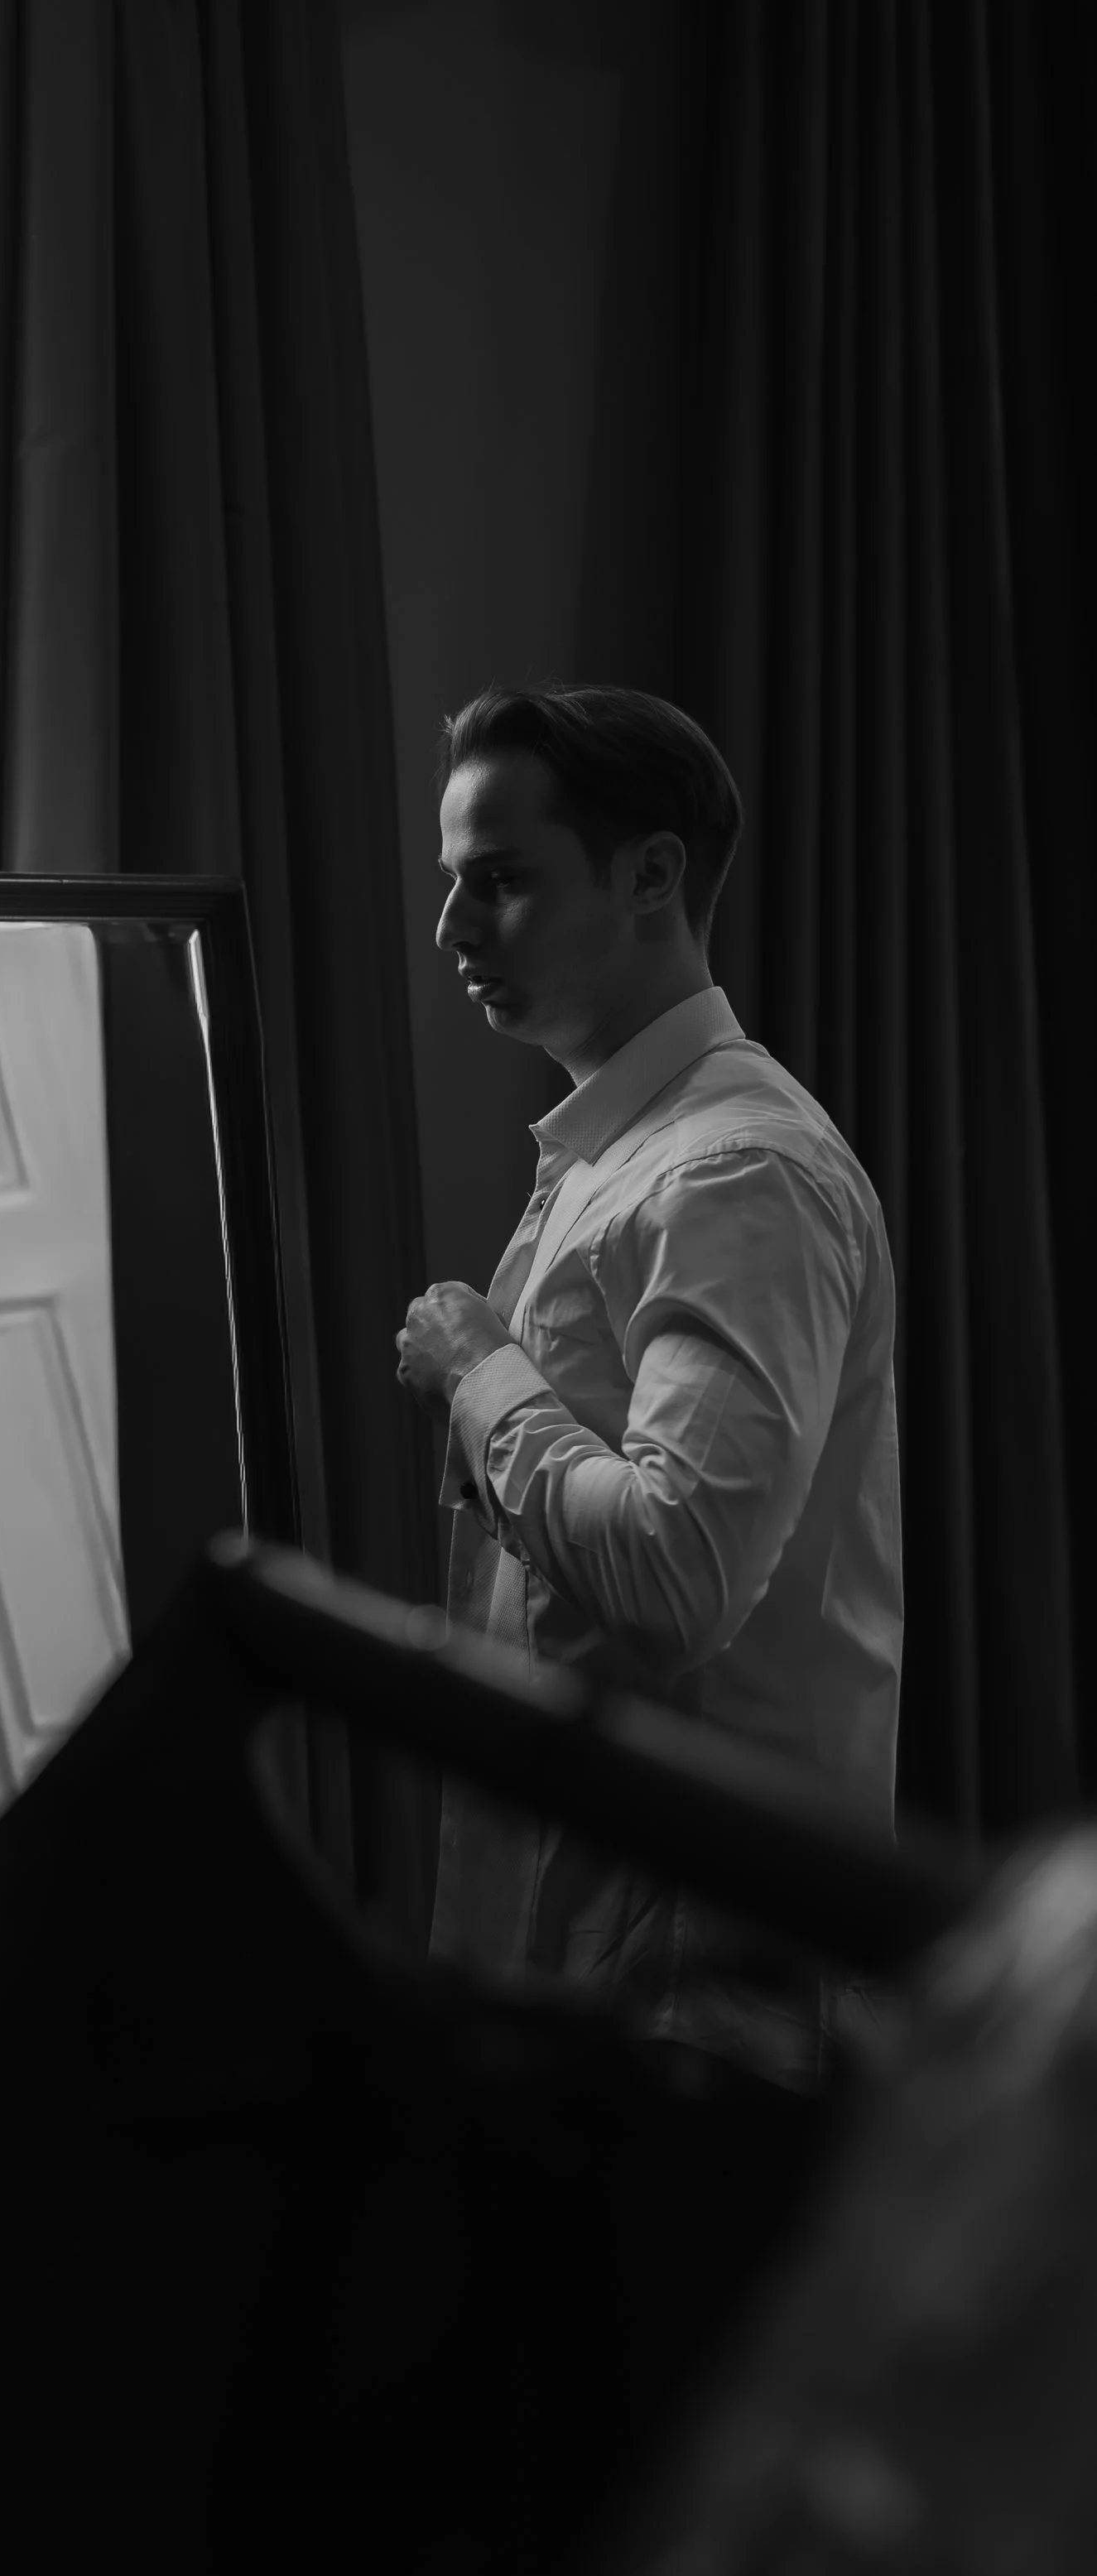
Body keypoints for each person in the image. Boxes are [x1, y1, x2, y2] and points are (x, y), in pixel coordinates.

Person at [394, 684, 902, 2088]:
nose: (450, 929)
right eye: (453, 884)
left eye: (498, 881)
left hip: (688, 1990)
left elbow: (679, 1572)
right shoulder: (629, 1158)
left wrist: (478, 1371)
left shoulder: (734, 1172)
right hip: (591, 1948)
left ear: (651, 874)